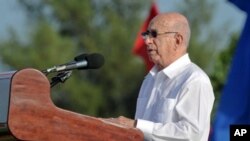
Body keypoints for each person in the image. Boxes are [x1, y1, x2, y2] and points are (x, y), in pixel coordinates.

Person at [104, 12, 215, 141]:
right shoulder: (150, 79)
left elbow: (191, 134)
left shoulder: (195, 80)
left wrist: (135, 125)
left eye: (154, 34)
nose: (147, 41)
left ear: (177, 40)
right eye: (146, 34)